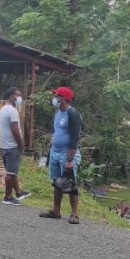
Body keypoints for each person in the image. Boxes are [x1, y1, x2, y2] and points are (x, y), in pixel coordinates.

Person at [39, 86, 82, 224]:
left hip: (66, 153)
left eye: (57, 96)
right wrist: (49, 150)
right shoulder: (58, 112)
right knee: (57, 182)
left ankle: (74, 214)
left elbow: (75, 137)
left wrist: (70, 159)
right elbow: (56, 132)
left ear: (64, 98)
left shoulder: (73, 113)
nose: (54, 98)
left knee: (70, 183)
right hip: (55, 152)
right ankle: (56, 210)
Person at [0, 87, 32, 205]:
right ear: (11, 96)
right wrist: (20, 143)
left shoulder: (2, 109)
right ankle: (7, 197)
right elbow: (15, 129)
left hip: (4, 145)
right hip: (12, 146)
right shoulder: (12, 111)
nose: (20, 98)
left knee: (12, 171)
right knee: (10, 173)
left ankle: (18, 192)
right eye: (18, 95)